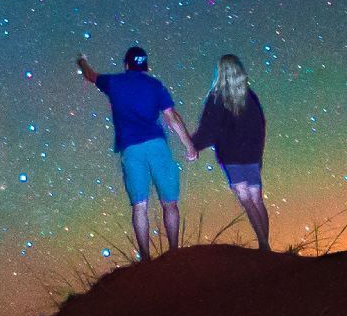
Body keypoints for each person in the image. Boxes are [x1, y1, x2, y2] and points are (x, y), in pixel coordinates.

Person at [76, 45, 197, 261]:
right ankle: (174, 254)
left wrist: (82, 61)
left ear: (126, 65)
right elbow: (171, 117)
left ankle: (146, 259)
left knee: (140, 205)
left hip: (131, 149)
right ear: (146, 66)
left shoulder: (113, 82)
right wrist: (189, 145)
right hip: (157, 146)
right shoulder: (155, 85)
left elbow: (90, 75)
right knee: (169, 203)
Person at [190, 54, 270, 251]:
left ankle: (263, 245)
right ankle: (265, 245)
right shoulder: (250, 96)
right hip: (252, 156)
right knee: (257, 199)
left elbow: (209, 129)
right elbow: (260, 125)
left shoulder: (216, 98)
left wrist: (193, 146)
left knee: (246, 199)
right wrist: (258, 153)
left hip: (232, 158)